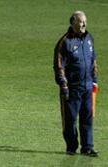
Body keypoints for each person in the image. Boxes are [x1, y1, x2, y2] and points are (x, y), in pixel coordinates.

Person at [53, 11, 98, 157]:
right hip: (72, 88)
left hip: (87, 86)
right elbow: (59, 67)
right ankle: (71, 147)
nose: (84, 24)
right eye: (81, 21)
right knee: (70, 119)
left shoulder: (89, 38)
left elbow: (93, 62)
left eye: (85, 21)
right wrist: (64, 86)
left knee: (87, 117)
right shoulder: (65, 42)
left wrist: (95, 81)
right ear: (73, 23)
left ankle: (87, 147)